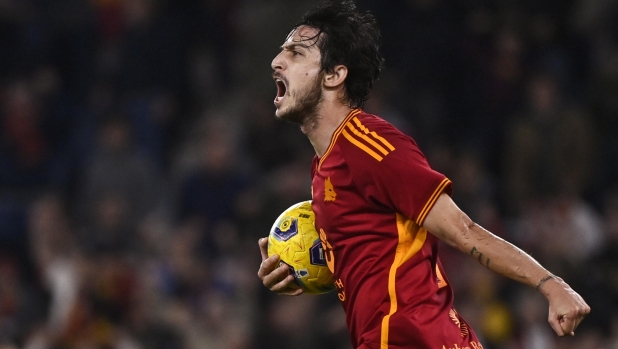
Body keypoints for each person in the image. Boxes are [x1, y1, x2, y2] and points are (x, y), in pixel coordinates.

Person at [256, 1, 590, 348]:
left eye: (296, 53)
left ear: (334, 75)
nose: (276, 62)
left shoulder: (372, 147)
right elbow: (374, 253)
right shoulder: (324, 167)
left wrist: (552, 285)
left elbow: (463, 231)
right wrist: (299, 271)